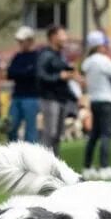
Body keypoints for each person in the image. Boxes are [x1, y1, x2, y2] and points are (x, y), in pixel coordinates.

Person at [81, 30, 111, 181]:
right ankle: (104, 167)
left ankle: (87, 167)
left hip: (94, 101)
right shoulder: (103, 60)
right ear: (100, 45)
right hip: (106, 100)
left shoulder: (87, 62)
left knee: (94, 135)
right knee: (106, 134)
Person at [37, 25, 76, 155]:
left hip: (61, 99)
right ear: (53, 37)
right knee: (50, 133)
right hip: (50, 99)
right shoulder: (45, 55)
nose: (65, 38)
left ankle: (54, 164)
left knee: (58, 135)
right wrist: (59, 76)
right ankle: (41, 165)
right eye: (62, 35)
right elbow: (41, 76)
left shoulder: (60, 55)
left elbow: (65, 74)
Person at [7, 25, 40, 143]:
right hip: (17, 96)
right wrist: (25, 72)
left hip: (31, 97)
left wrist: (21, 73)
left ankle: (29, 156)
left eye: (22, 41)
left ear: (30, 40)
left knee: (30, 130)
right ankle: (13, 152)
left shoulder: (37, 56)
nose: (20, 44)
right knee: (11, 125)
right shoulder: (18, 56)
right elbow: (10, 73)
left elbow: (33, 74)